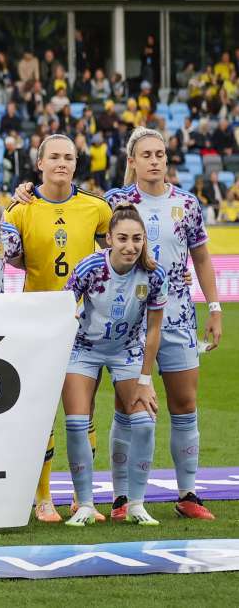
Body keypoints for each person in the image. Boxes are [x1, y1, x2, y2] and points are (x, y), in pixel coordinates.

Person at [104, 128, 224, 521]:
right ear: (132, 161)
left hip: (179, 318)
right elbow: (99, 253)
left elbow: (201, 258)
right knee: (129, 407)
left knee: (185, 405)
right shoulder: (116, 202)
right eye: (147, 154)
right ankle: (121, 498)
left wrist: (215, 308)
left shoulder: (187, 203)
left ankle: (188, 494)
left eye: (160, 153)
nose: (155, 160)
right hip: (130, 323)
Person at [8, 134, 113, 524]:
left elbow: (118, 250)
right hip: (38, 324)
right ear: (40, 163)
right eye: (54, 157)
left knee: (82, 411)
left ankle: (82, 498)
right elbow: (8, 256)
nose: (62, 163)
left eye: (68, 157)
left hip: (84, 324)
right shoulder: (20, 210)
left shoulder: (96, 208)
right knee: (42, 413)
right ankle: (43, 498)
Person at [62, 205, 166, 528]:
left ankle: (136, 504)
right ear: (108, 238)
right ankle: (84, 505)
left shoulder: (154, 274)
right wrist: (69, 314)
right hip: (84, 349)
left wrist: (145, 379)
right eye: (122, 238)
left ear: (144, 239)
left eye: (137, 239)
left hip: (127, 351)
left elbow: (154, 329)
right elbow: (63, 305)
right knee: (76, 423)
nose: (130, 246)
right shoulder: (90, 267)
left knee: (145, 423)